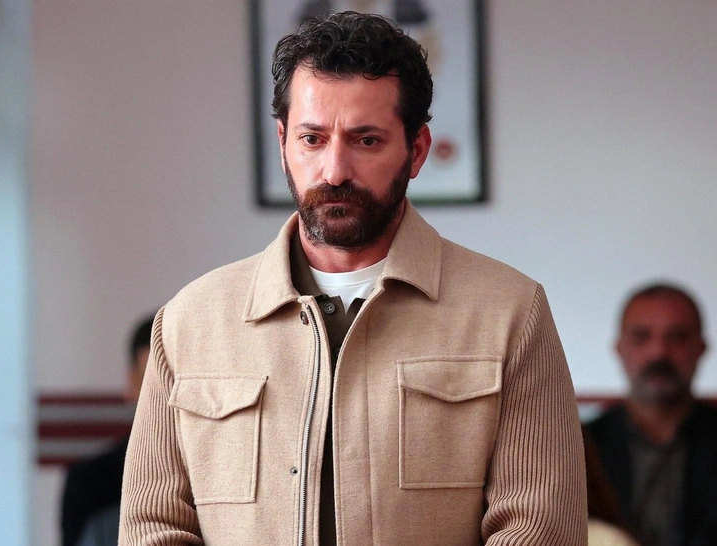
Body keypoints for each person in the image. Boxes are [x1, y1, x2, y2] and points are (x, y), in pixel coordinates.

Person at [119, 11, 586, 545]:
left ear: (416, 151)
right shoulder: (190, 323)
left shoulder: (509, 313)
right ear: (283, 143)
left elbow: (539, 529)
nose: (335, 170)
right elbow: (152, 527)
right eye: (312, 139)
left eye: (366, 141)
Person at [586, 283, 717, 546]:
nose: (659, 352)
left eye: (677, 337)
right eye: (641, 336)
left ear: (701, 348)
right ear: (620, 348)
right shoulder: (581, 446)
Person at [61, 314, 154, 546]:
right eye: (151, 382)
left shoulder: (221, 474)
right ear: (131, 383)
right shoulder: (88, 483)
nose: (165, 397)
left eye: (174, 380)